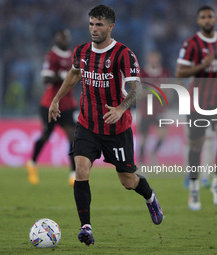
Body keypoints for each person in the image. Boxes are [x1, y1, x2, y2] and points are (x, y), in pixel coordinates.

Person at [48, 5, 163, 246]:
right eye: (91, 24)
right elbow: (73, 75)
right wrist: (56, 99)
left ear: (111, 26)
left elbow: (136, 89)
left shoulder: (124, 54)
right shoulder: (81, 51)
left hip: (116, 128)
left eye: (99, 25)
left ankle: (150, 196)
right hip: (87, 124)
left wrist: (121, 108)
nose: (93, 29)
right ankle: (86, 227)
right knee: (81, 168)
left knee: (128, 181)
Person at [175, 5, 217, 211]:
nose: (207, 20)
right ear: (198, 21)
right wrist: (202, 66)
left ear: (215, 19)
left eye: (210, 17)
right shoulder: (191, 44)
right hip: (197, 101)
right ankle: (194, 188)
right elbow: (180, 72)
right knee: (196, 146)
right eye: (203, 17)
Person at [26, 29, 78, 186]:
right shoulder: (51, 56)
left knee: (73, 136)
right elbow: (46, 78)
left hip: (68, 104)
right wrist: (63, 76)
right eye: (60, 37)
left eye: (65, 38)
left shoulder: (73, 55)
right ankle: (32, 163)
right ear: (56, 39)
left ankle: (73, 173)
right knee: (46, 135)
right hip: (50, 103)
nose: (63, 40)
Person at [138, 50, 171, 165]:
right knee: (143, 137)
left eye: (156, 57)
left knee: (162, 135)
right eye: (152, 57)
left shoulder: (164, 71)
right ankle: (141, 161)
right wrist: (155, 90)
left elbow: (167, 89)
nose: (154, 60)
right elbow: (139, 92)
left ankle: (153, 153)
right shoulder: (142, 73)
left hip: (159, 109)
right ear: (148, 59)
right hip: (146, 110)